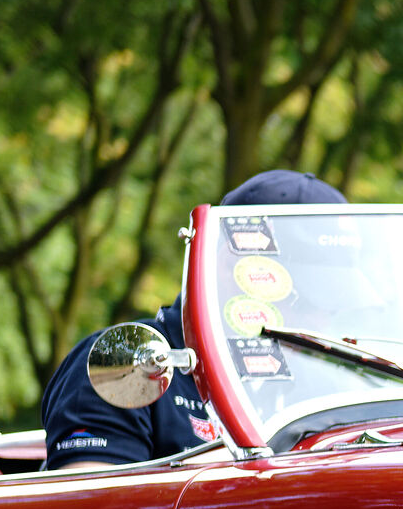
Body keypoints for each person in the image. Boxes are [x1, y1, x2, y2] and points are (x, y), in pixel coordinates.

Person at [39, 170, 346, 470]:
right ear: (229, 262)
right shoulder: (123, 362)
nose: (322, 315)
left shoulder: (335, 386)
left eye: (340, 296)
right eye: (303, 292)